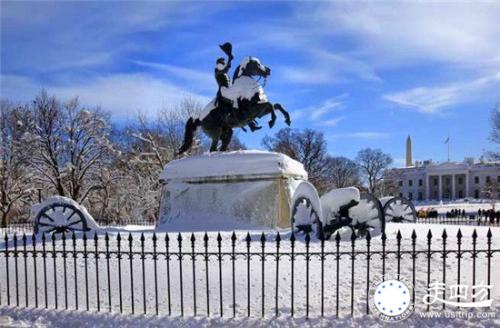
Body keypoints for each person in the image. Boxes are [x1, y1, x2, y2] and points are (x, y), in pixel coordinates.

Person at [215, 42, 261, 132]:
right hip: (223, 91)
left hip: (228, 90)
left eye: (224, 62)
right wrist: (229, 59)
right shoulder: (218, 70)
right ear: (219, 63)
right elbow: (225, 69)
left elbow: (226, 70)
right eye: (223, 62)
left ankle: (250, 123)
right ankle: (237, 119)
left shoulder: (223, 72)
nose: (224, 64)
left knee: (242, 100)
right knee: (235, 102)